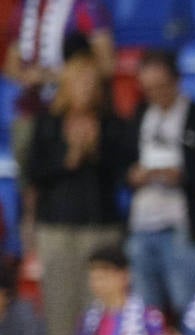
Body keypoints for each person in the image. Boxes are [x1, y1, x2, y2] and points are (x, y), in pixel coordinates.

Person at [27, 52, 127, 335]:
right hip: (56, 227)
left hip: (100, 225)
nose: (85, 88)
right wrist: (67, 157)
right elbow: (32, 172)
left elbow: (124, 170)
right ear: (66, 86)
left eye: (90, 82)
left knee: (98, 300)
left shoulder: (111, 125)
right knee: (59, 300)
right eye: (78, 81)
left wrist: (95, 149)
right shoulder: (47, 125)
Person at [124, 49, 195, 320]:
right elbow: (120, 162)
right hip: (142, 226)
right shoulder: (140, 116)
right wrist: (132, 176)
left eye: (161, 87)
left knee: (188, 308)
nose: (156, 94)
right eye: (148, 89)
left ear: (177, 81)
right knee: (145, 314)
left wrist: (182, 176)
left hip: (182, 228)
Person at [3, 0, 114, 246]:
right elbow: (10, 65)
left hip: (75, 110)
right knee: (29, 168)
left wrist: (56, 76)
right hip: (32, 110)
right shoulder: (24, 9)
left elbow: (105, 63)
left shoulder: (86, 7)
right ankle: (30, 226)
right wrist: (26, 76)